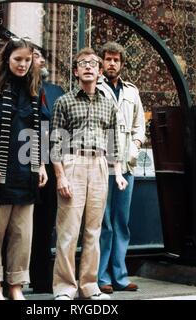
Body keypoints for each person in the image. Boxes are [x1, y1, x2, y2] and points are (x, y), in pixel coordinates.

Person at [0, 37, 48, 300]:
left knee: (22, 234)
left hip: (26, 172)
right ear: (7, 59)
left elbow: (40, 130)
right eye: (18, 59)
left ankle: (15, 286)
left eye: (27, 60)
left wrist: (42, 164)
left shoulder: (36, 88)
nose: (23, 65)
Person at [50, 47, 128, 300]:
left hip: (99, 165)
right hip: (72, 162)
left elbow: (114, 144)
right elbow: (55, 143)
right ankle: (64, 288)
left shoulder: (109, 105)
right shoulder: (64, 102)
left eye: (93, 63)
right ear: (76, 71)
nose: (88, 67)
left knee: (93, 230)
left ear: (100, 70)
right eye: (82, 63)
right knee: (68, 230)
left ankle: (89, 287)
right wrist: (60, 175)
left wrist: (118, 173)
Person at [96, 42, 145, 294]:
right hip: (102, 166)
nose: (112, 63)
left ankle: (120, 276)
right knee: (103, 223)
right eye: (108, 59)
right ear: (102, 62)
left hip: (126, 166)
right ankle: (101, 277)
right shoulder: (95, 87)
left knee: (121, 222)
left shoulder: (132, 92)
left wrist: (135, 147)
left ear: (122, 64)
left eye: (116, 60)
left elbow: (140, 126)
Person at [29, 47, 65, 293]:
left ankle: (42, 280)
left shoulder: (56, 91)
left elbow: (59, 130)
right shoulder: (16, 88)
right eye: (35, 55)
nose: (41, 59)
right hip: (22, 163)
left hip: (51, 166)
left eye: (40, 56)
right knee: (19, 225)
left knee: (45, 223)